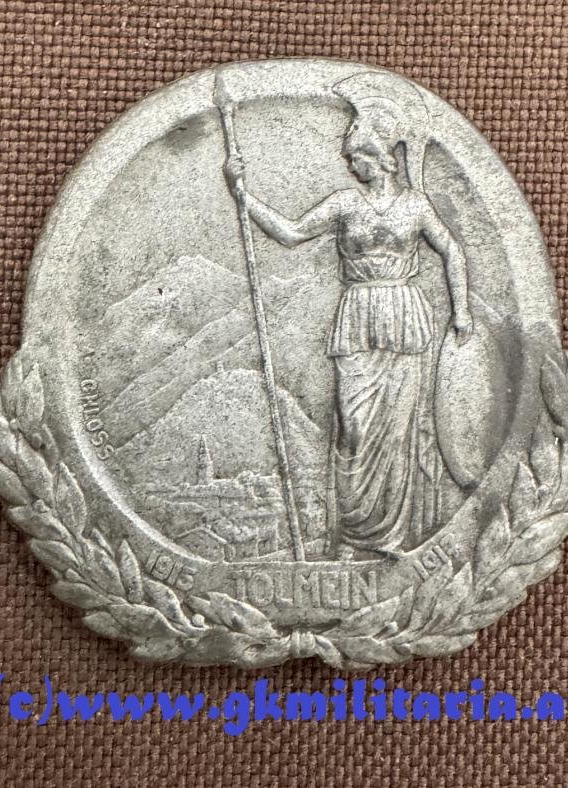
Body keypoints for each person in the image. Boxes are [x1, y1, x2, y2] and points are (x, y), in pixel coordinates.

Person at [223, 72, 472, 560]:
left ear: (376, 157)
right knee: (355, 427)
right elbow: (292, 233)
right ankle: (354, 535)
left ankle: (391, 540)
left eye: (354, 157)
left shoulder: (416, 205)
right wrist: (242, 196)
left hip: (403, 317)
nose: (348, 164)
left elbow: (453, 252)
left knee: (397, 432)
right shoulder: (343, 204)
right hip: (358, 315)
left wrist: (461, 311)